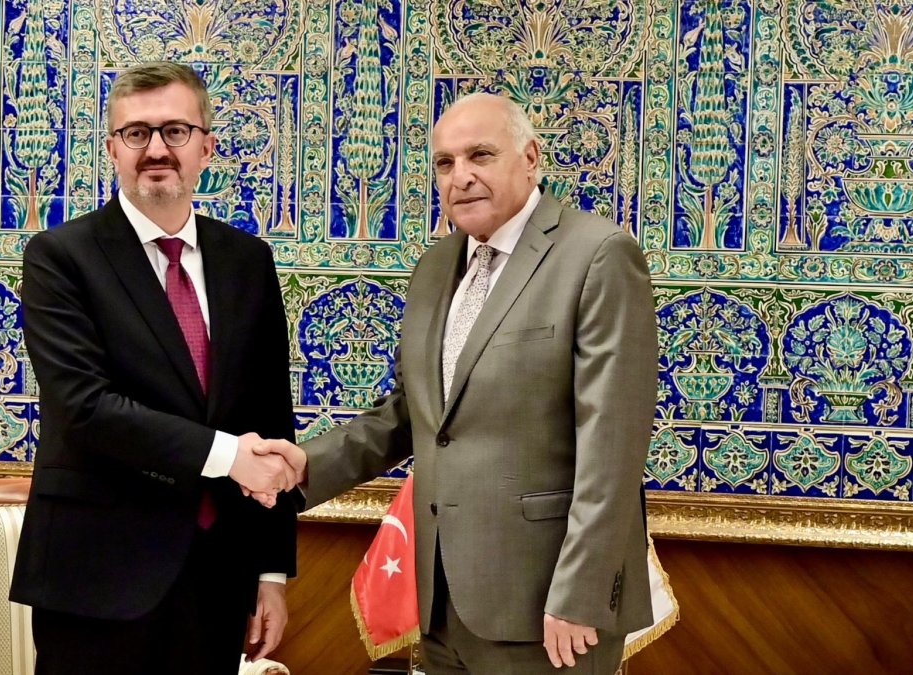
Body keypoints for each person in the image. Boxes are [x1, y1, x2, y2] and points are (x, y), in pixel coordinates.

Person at [257, 93, 658, 674]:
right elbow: (409, 415)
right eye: (445, 163)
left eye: (480, 156)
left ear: (530, 157)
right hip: (442, 600)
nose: (461, 177)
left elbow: (612, 445)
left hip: (549, 608)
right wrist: (299, 469)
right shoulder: (437, 266)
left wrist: (582, 593)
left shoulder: (597, 255)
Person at [9, 61, 299, 674]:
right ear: (112, 148)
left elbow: (271, 414)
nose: (156, 149)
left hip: (218, 576)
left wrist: (270, 571)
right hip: (96, 579)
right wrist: (229, 456)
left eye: (175, 131)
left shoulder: (247, 260)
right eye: (137, 133)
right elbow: (86, 408)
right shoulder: (61, 258)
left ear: (206, 147)